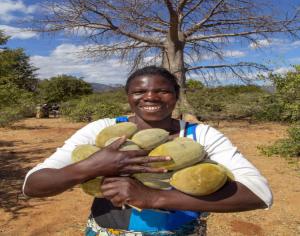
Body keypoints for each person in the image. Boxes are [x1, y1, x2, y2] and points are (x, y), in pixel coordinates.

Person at [23, 66, 273, 236]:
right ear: (129, 97)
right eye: (139, 91)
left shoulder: (201, 135)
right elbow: (33, 185)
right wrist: (92, 166)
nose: (150, 97)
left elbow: (259, 194)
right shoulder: (103, 129)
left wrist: (154, 197)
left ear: (176, 96)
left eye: (162, 90)